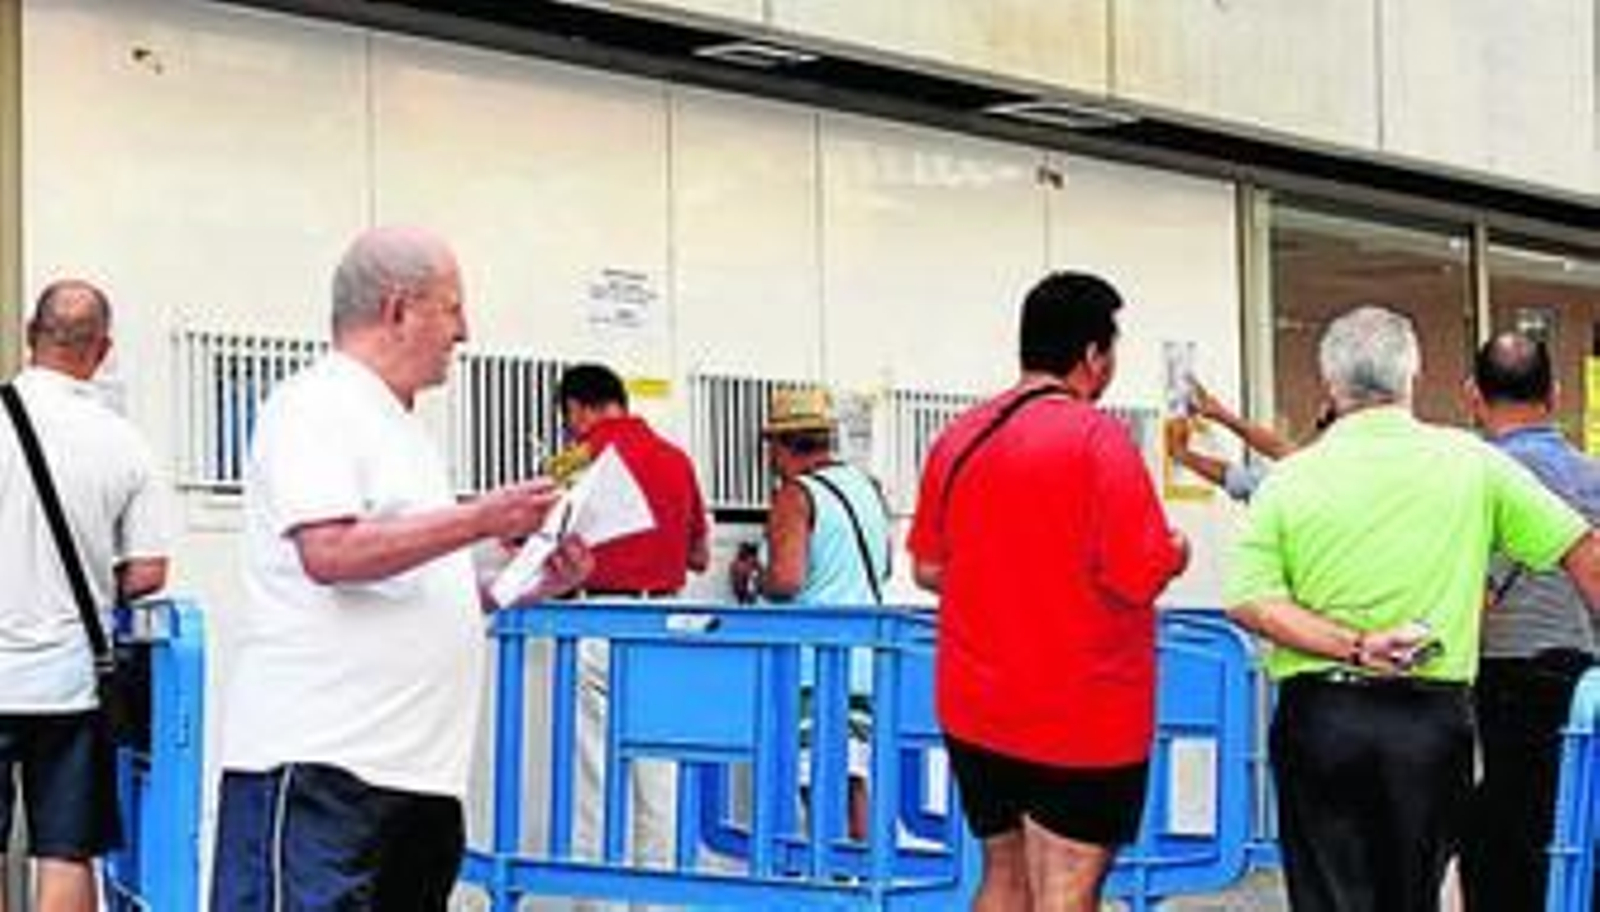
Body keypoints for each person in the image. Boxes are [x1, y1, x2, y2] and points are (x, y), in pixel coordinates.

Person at [212, 226, 592, 910]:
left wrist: (520, 586)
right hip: (325, 767)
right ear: (398, 309)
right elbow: (329, 553)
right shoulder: (315, 404)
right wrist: (481, 518)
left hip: (415, 777)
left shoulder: (402, 429)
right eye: (452, 308)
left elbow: (412, 584)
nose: (464, 331)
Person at [1223, 306, 1600, 912]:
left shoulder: (1291, 479)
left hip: (1322, 714)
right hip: (1431, 720)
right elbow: (1581, 545)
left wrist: (1355, 644)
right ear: (1413, 378)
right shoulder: (1472, 463)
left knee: (1329, 896)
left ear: (1330, 384)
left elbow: (1249, 599)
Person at [908, 271, 1189, 912]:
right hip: (1081, 709)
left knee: (1004, 875)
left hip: (977, 704)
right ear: (1093, 355)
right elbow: (1137, 573)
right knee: (1067, 886)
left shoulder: (958, 438)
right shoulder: (1099, 440)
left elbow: (928, 568)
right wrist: (1177, 552)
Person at [0, 280, 169, 912]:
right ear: (103, 350)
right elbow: (149, 570)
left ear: (29, 337)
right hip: (67, 680)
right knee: (66, 850)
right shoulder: (123, 441)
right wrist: (100, 583)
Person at [1459, 332, 1600, 912]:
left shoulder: (1476, 479)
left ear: (1473, 396)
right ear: (1557, 392)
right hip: (1587, 684)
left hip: (1504, 681)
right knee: (1578, 827)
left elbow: (1474, 593)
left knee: (1504, 840)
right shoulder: (1593, 476)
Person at [555, 362, 709, 887]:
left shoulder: (578, 461)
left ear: (578, 408)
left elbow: (540, 546)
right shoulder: (677, 460)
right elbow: (700, 556)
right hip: (665, 624)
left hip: (597, 618)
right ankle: (658, 902)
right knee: (659, 776)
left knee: (592, 780)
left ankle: (593, 903)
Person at [740, 386, 893, 841]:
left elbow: (786, 580)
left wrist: (751, 577)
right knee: (851, 782)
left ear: (779, 445)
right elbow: (882, 568)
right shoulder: (867, 489)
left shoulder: (796, 495)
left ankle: (835, 890)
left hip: (814, 668)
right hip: (864, 661)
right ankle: (863, 888)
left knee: (819, 788)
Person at [1163, 381, 1326, 503]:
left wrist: (1182, 454)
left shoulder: (1312, 484)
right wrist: (1221, 414)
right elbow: (1280, 449)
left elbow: (1243, 479)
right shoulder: (1324, 467)